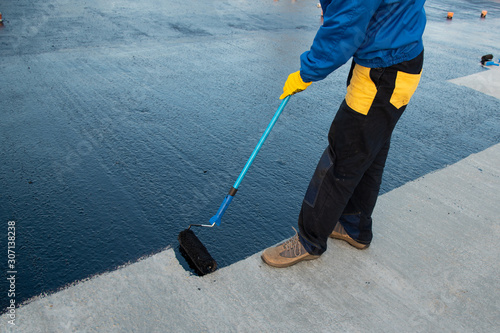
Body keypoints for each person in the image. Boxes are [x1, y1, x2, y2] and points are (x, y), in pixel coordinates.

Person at [261, 0, 426, 268]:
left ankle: (309, 240)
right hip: (398, 58)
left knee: (343, 156)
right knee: (370, 152)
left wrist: (308, 71)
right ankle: (354, 226)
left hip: (382, 70)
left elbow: (345, 25)